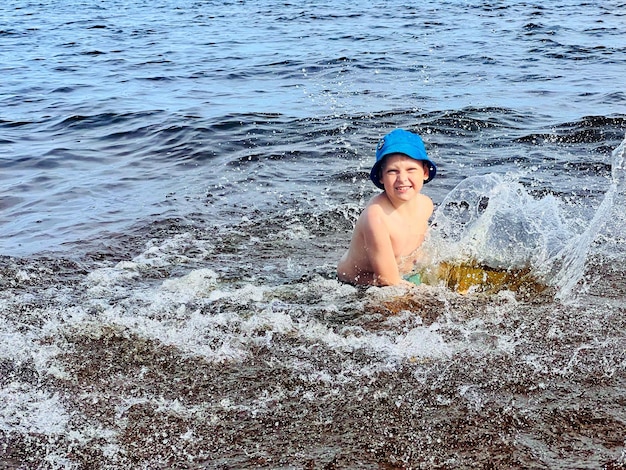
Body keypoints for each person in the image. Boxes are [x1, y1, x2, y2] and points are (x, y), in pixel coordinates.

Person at [337, 128, 437, 287]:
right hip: (357, 283)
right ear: (381, 177)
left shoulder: (426, 205)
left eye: (411, 169)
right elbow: (387, 281)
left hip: (400, 273)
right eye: (392, 171)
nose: (402, 179)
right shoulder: (376, 218)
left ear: (425, 172)